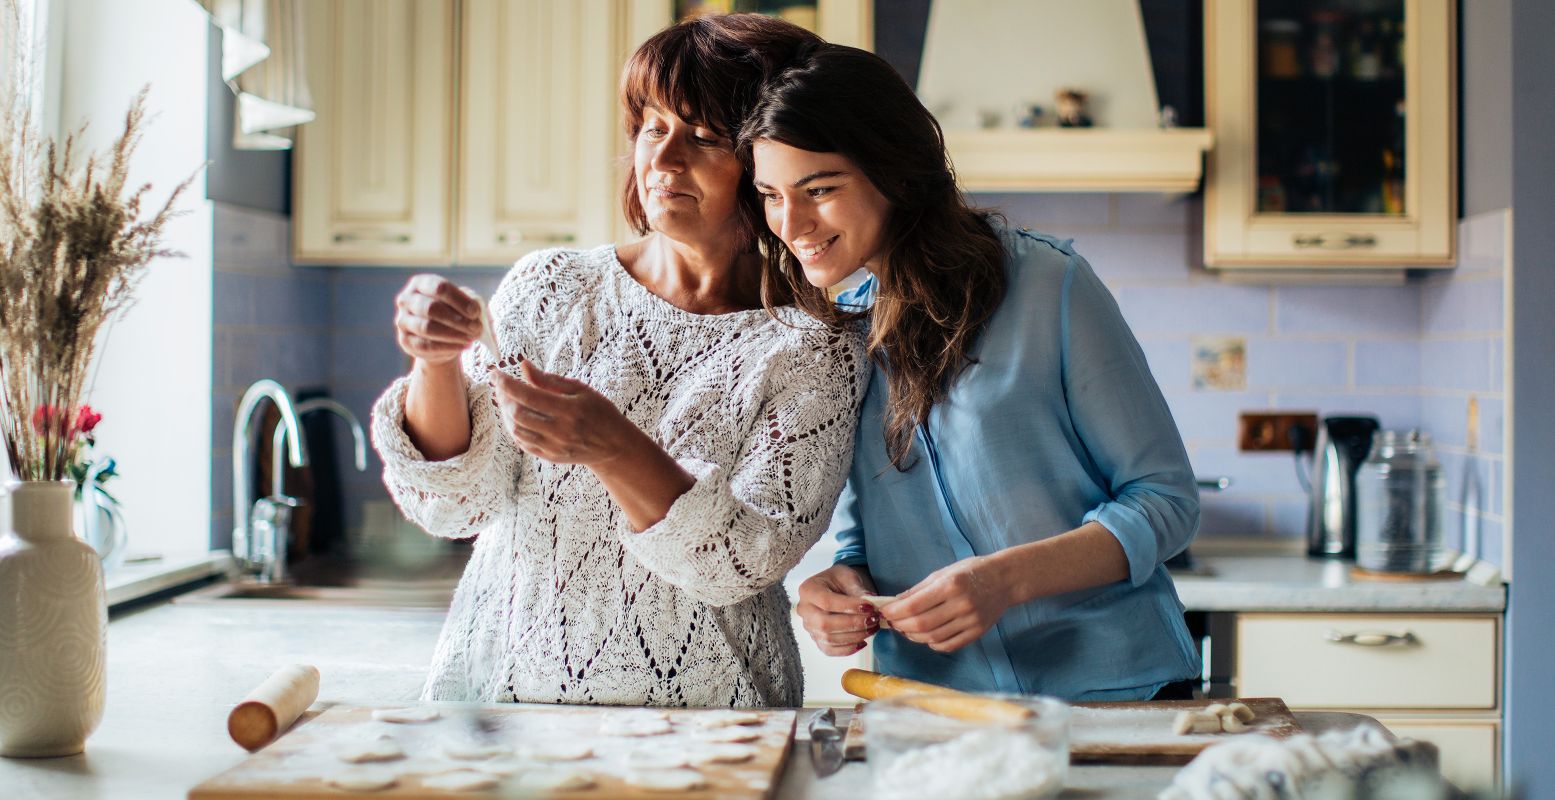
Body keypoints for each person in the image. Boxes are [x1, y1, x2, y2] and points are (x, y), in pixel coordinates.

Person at [369, 16, 866, 708]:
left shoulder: (813, 344)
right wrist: (435, 362)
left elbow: (740, 561)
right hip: (502, 702)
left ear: (765, 161)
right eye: (650, 127)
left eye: (701, 137)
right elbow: (455, 504)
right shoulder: (552, 288)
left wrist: (612, 447)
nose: (661, 162)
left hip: (711, 718)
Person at [739, 43, 1202, 700]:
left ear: (893, 171)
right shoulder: (831, 327)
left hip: (1113, 693)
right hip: (936, 707)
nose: (792, 224)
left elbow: (1165, 502)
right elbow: (867, 521)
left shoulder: (1049, 284)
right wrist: (843, 583)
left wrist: (1002, 581)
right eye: (769, 196)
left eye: (820, 189)